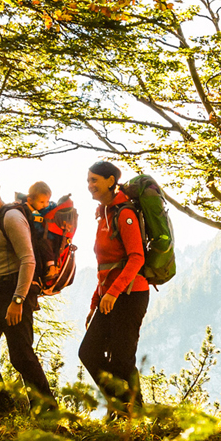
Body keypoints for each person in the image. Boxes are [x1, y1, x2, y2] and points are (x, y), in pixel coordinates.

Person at [0, 169, 55, 412]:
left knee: (21, 355)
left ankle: (47, 411)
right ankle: (2, 406)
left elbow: (28, 260)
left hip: (16, 291)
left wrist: (18, 299)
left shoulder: (12, 217)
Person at [78, 160, 149, 415]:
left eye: (94, 180)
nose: (90, 186)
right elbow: (104, 266)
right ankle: (122, 408)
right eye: (88, 181)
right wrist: (95, 303)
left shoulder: (124, 214)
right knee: (88, 352)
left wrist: (113, 293)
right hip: (109, 296)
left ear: (111, 181)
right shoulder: (103, 214)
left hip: (131, 295)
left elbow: (136, 258)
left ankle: (133, 416)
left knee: (122, 359)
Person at [24, 180, 60, 281]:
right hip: (45, 234)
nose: (45, 205)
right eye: (42, 202)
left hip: (48, 236)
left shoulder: (47, 209)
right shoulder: (32, 210)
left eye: (47, 201)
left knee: (44, 244)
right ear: (30, 201)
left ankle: (51, 267)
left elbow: (37, 228)